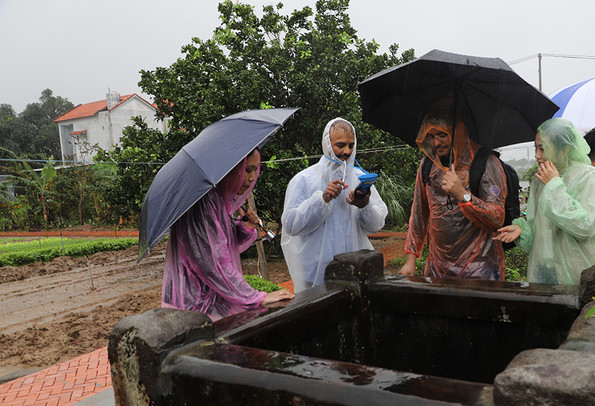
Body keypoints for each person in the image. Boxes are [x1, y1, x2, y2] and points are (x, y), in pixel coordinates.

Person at [162, 147, 295, 321]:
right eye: (247, 170)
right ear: (230, 167)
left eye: (255, 170)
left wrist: (244, 228)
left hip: (211, 304)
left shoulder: (217, 199)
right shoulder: (202, 202)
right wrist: (256, 297)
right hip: (196, 308)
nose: (252, 178)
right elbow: (211, 263)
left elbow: (222, 244)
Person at [494, 118, 595, 285]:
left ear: (565, 149)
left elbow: (585, 226)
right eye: (535, 148)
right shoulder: (540, 179)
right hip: (548, 271)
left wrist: (554, 184)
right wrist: (523, 230)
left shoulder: (587, 175)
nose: (537, 155)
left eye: (542, 148)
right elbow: (541, 227)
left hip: (581, 271)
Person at [398, 101, 507, 280]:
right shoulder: (428, 165)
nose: (436, 142)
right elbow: (419, 214)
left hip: (480, 269)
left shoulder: (485, 163)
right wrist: (411, 260)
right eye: (431, 136)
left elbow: (497, 218)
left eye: (442, 135)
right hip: (437, 267)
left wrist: (463, 195)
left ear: (459, 132)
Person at [281, 118, 388, 292]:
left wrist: (364, 203)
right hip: (316, 276)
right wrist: (321, 200)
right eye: (340, 145)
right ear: (327, 144)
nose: (347, 151)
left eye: (351, 145)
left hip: (355, 272)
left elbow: (377, 225)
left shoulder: (360, 177)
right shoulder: (304, 180)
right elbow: (291, 225)